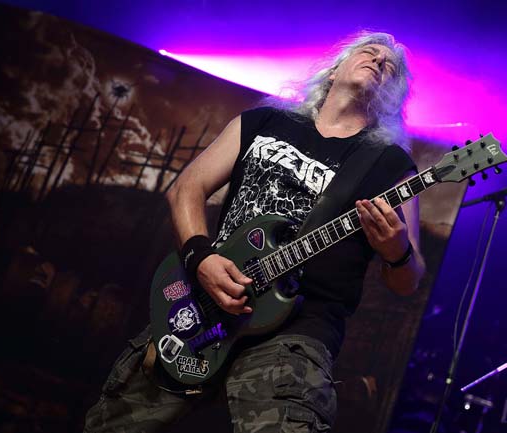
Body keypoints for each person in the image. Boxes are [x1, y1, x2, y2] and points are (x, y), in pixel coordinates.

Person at [84, 31, 425, 433]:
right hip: (204, 305)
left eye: (390, 67)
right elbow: (187, 188)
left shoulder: (391, 167)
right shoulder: (264, 122)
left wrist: (397, 250)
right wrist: (202, 260)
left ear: (393, 97)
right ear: (334, 71)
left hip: (299, 331)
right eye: (369, 52)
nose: (379, 62)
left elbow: (409, 280)